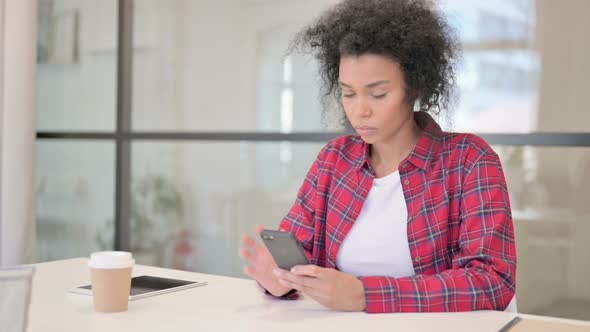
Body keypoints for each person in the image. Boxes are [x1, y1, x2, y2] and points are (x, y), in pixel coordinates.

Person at [239, 0, 516, 313]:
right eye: (348, 93)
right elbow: (300, 259)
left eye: (378, 94)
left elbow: (493, 281)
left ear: (415, 87)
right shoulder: (334, 160)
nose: (360, 110)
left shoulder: (469, 160)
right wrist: (279, 281)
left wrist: (364, 294)